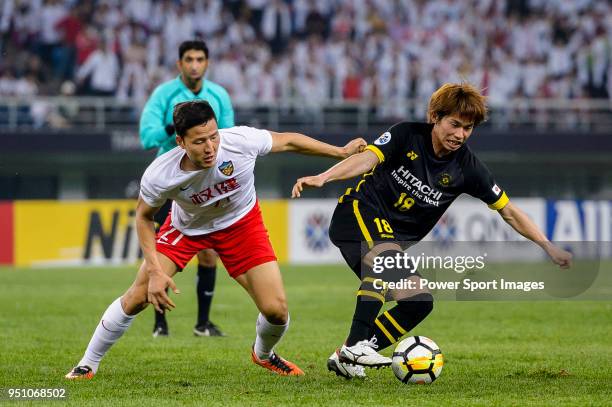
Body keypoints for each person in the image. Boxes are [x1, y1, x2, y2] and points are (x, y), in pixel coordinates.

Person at [65, 100, 367, 380]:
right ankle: (87, 364)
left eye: (213, 136)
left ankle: (263, 354)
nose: (210, 147)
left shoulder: (240, 141)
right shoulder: (161, 174)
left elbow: (287, 140)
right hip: (186, 229)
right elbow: (143, 217)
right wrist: (155, 270)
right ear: (181, 142)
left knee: (276, 310)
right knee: (138, 296)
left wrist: (340, 152)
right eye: (199, 141)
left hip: (241, 225)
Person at [291, 83, 573, 379]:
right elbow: (368, 159)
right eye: (454, 124)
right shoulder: (405, 134)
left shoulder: (468, 169)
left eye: (468, 128)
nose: (460, 135)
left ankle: (345, 355)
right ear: (434, 116)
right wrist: (324, 177)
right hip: (358, 213)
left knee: (418, 302)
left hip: (388, 240)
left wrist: (548, 246)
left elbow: (509, 211)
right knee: (385, 259)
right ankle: (357, 346)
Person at [139, 40, 234, 338]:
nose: (195, 64)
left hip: (206, 183)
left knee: (208, 253)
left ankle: (202, 324)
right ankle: (159, 323)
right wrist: (177, 127)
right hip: (172, 185)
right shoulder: (164, 94)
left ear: (207, 63)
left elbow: (229, 137)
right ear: (179, 64)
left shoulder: (219, 95)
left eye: (200, 59)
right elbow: (146, 137)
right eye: (189, 59)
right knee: (163, 254)